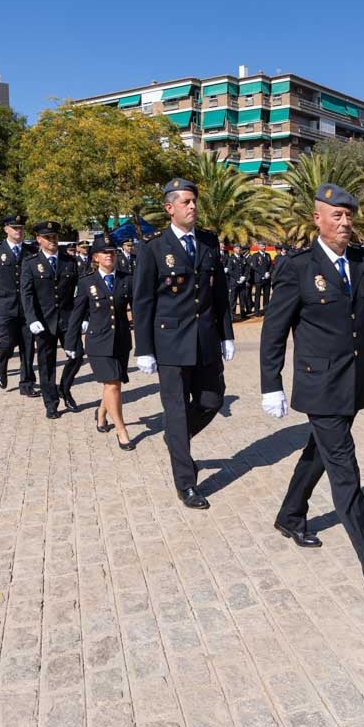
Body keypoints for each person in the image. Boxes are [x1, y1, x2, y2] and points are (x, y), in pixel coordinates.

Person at [260, 183, 364, 611]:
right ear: (317, 219)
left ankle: (291, 515)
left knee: (319, 449)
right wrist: (270, 384)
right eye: (336, 215)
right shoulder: (298, 267)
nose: (345, 222)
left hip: (353, 384)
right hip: (320, 387)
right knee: (346, 473)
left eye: (349, 215)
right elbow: (274, 331)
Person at [133, 178, 235, 510]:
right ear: (169, 208)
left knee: (212, 400)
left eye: (194, 201)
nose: (192, 206)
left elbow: (219, 291)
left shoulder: (208, 242)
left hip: (205, 340)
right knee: (176, 414)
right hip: (170, 344)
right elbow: (143, 301)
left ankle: (175, 440)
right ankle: (186, 483)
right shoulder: (153, 248)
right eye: (186, 202)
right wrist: (144, 348)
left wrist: (227, 333)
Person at [67, 235, 135, 449]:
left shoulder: (127, 279)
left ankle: (102, 413)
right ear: (95, 257)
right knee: (113, 384)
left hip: (122, 340)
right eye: (104, 252)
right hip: (98, 342)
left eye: (112, 252)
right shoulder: (87, 282)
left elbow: (139, 309)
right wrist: (71, 343)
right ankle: (121, 430)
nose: (109, 255)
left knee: (112, 384)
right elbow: (76, 315)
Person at [20, 222, 80, 419]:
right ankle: (51, 402)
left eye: (54, 236)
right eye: (48, 237)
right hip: (43, 321)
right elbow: (26, 294)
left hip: (67, 319)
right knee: (47, 363)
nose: (52, 241)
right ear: (39, 239)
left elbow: (79, 292)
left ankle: (65, 388)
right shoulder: (30, 263)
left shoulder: (69, 261)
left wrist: (84, 316)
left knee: (77, 355)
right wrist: (31, 318)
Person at [0, 215, 39, 396]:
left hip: (27, 306)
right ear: (6, 229)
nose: (18, 231)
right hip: (4, 304)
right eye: (14, 228)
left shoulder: (31, 250)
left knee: (28, 345)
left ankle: (27, 383)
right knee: (7, 341)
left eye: (20, 227)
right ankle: (1, 367)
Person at [251, 246, 273, 315]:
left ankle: (265, 310)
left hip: (267, 279)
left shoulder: (267, 255)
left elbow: (271, 265)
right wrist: (263, 274)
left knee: (266, 295)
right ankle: (257, 311)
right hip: (259, 279)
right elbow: (254, 266)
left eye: (264, 246)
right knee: (257, 295)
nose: (264, 247)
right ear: (258, 246)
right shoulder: (255, 255)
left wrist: (269, 272)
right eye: (262, 246)